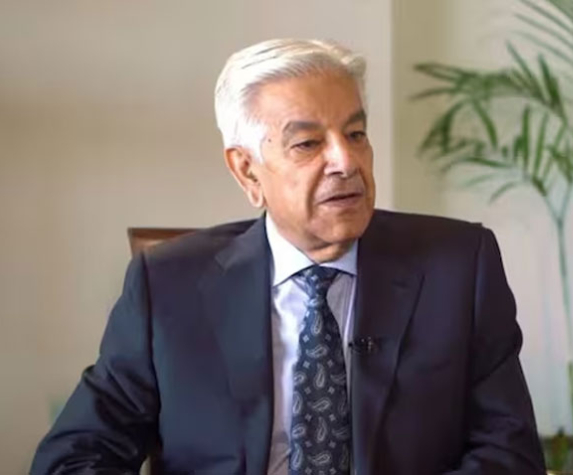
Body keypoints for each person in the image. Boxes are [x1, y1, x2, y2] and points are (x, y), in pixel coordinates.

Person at [31, 38, 545, 475]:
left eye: (356, 134)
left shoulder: (459, 267)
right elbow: (73, 457)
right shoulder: (167, 284)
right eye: (307, 144)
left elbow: (510, 454)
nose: (345, 161)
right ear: (247, 171)